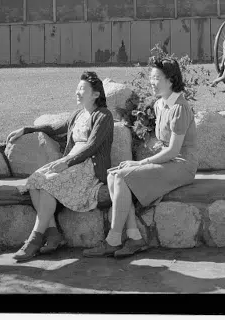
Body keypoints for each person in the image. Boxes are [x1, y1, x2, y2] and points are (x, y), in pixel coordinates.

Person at [83, 57, 197, 258]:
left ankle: (114, 239)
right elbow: (162, 142)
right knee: (113, 175)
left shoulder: (180, 108)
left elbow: (173, 151)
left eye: (156, 78)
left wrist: (140, 163)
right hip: (168, 162)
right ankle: (134, 236)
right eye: (151, 77)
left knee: (122, 176)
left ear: (170, 80)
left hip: (182, 165)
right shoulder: (160, 104)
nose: (152, 82)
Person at [5, 71, 114, 262]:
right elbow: (54, 129)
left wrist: (66, 162)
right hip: (71, 163)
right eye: (77, 88)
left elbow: (92, 146)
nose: (77, 92)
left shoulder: (103, 115)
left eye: (82, 89)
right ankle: (53, 233)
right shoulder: (78, 115)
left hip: (88, 166)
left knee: (48, 184)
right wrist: (27, 129)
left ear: (96, 94)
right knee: (35, 180)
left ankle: (34, 240)